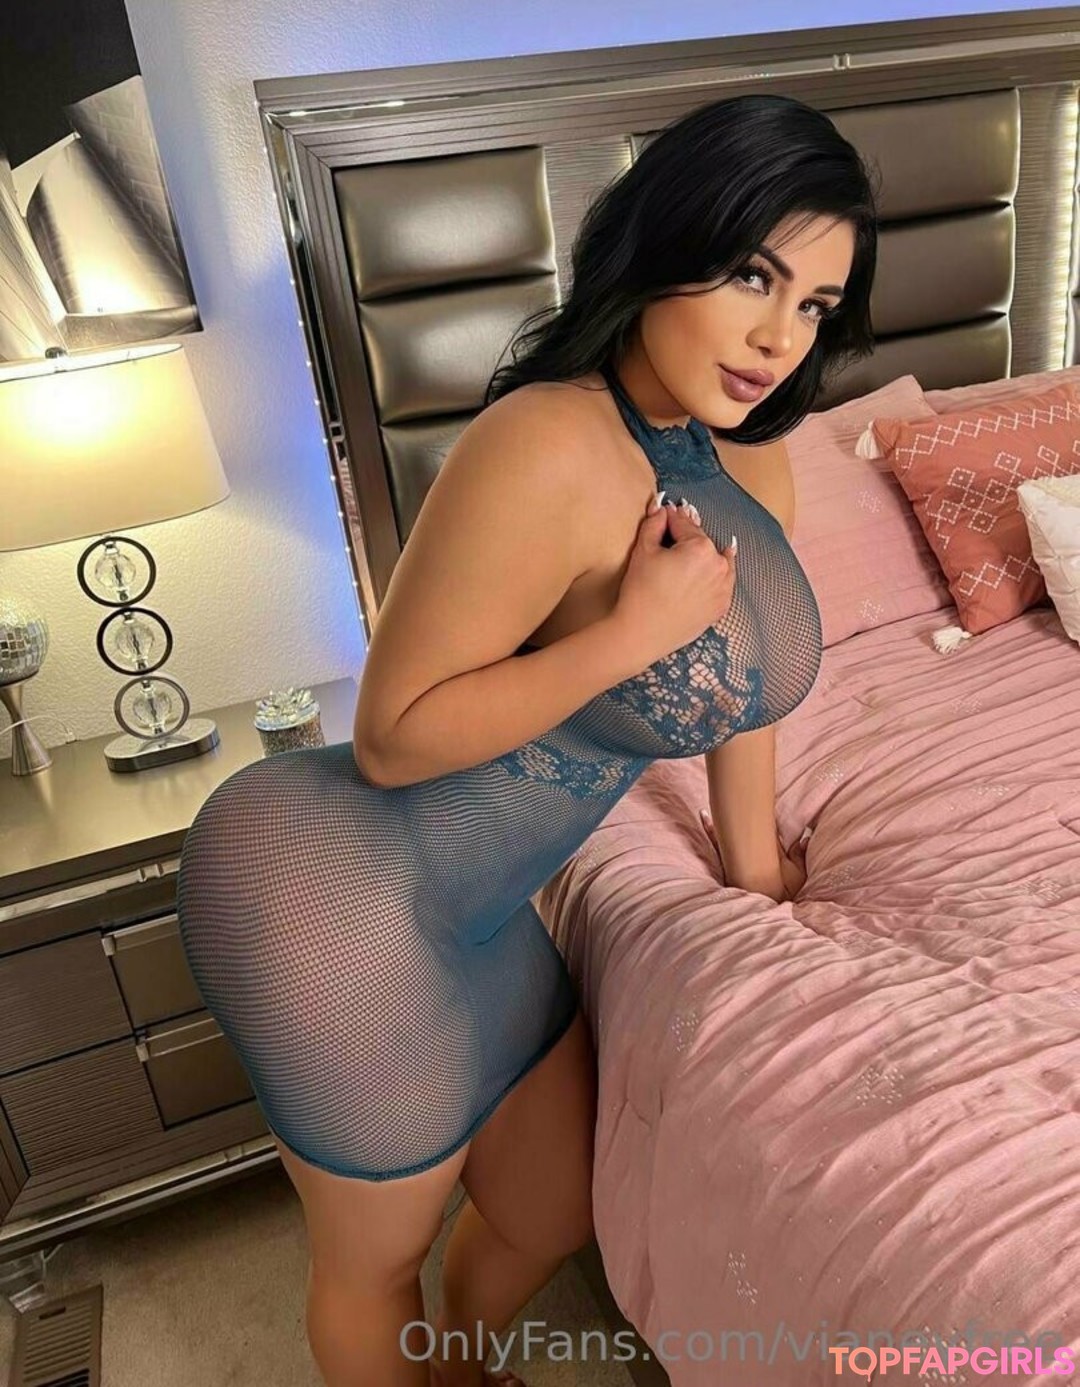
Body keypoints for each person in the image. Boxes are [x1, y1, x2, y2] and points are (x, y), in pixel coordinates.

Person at [175, 92, 878, 1387]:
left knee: (550, 1210)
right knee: (372, 1263)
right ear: (664, 243)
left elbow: (740, 692)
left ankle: (461, 1365)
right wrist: (629, 634)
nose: (779, 338)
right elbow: (392, 739)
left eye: (817, 306)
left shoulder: (750, 458)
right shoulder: (543, 440)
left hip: (489, 899)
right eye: (750, 275)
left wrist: (758, 873)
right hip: (335, 886)